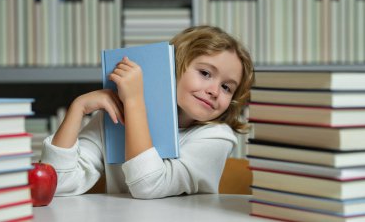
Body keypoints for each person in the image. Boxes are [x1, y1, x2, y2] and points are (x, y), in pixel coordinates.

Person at [41, 25, 255, 199]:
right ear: (173, 66)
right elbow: (59, 184)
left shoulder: (217, 137)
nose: (214, 91)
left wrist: (134, 101)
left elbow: (148, 185)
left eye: (227, 87)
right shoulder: (115, 117)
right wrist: (77, 108)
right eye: (205, 73)